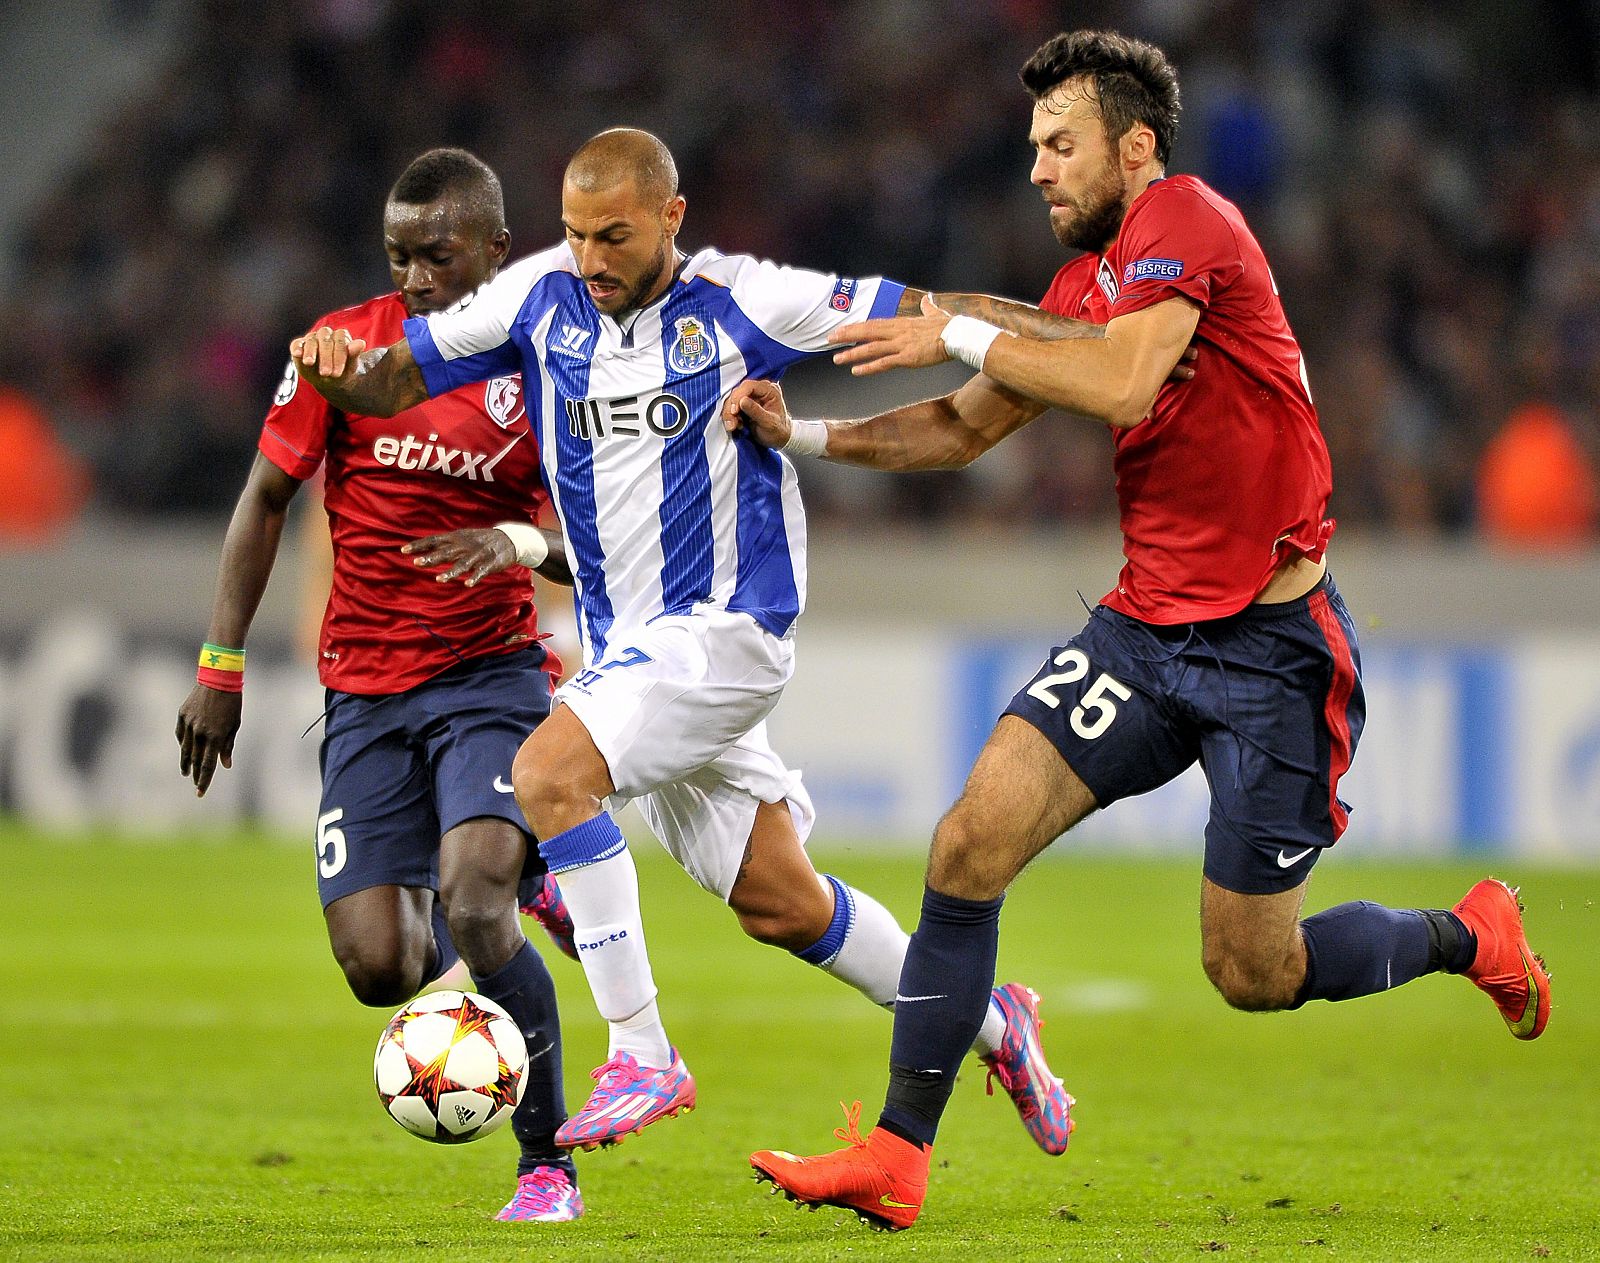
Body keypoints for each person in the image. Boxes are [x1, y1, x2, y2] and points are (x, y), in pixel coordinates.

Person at [733, 30, 1552, 1231]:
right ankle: (899, 1157)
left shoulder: (1192, 217)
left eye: (1058, 147)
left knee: (1251, 972)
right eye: (1030, 151)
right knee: (966, 848)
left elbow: (1125, 383)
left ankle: (1466, 934)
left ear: (1134, 146)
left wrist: (958, 324)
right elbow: (961, 431)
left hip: (1274, 655)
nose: (1036, 172)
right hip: (1144, 635)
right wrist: (805, 437)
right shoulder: (1079, 291)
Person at [285, 128, 1102, 1160]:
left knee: (548, 773)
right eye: (577, 234)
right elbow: (390, 382)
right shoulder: (538, 297)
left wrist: (1091, 335)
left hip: (727, 627)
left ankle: (641, 1050)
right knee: (780, 902)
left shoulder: (744, 300)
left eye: (615, 236)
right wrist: (335, 371)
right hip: (633, 651)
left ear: (672, 219)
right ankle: (996, 1023)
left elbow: (941, 313)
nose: (591, 259)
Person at [175, 149, 585, 1224]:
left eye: (436, 257)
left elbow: (590, 544)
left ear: (496, 251)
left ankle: (547, 1165)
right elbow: (265, 497)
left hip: (490, 676)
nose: (413, 279)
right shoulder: (346, 349)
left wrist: (511, 542)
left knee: (476, 899)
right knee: (379, 965)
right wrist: (220, 663)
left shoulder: (545, 366)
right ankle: (520, 886)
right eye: (398, 256)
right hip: (363, 691)